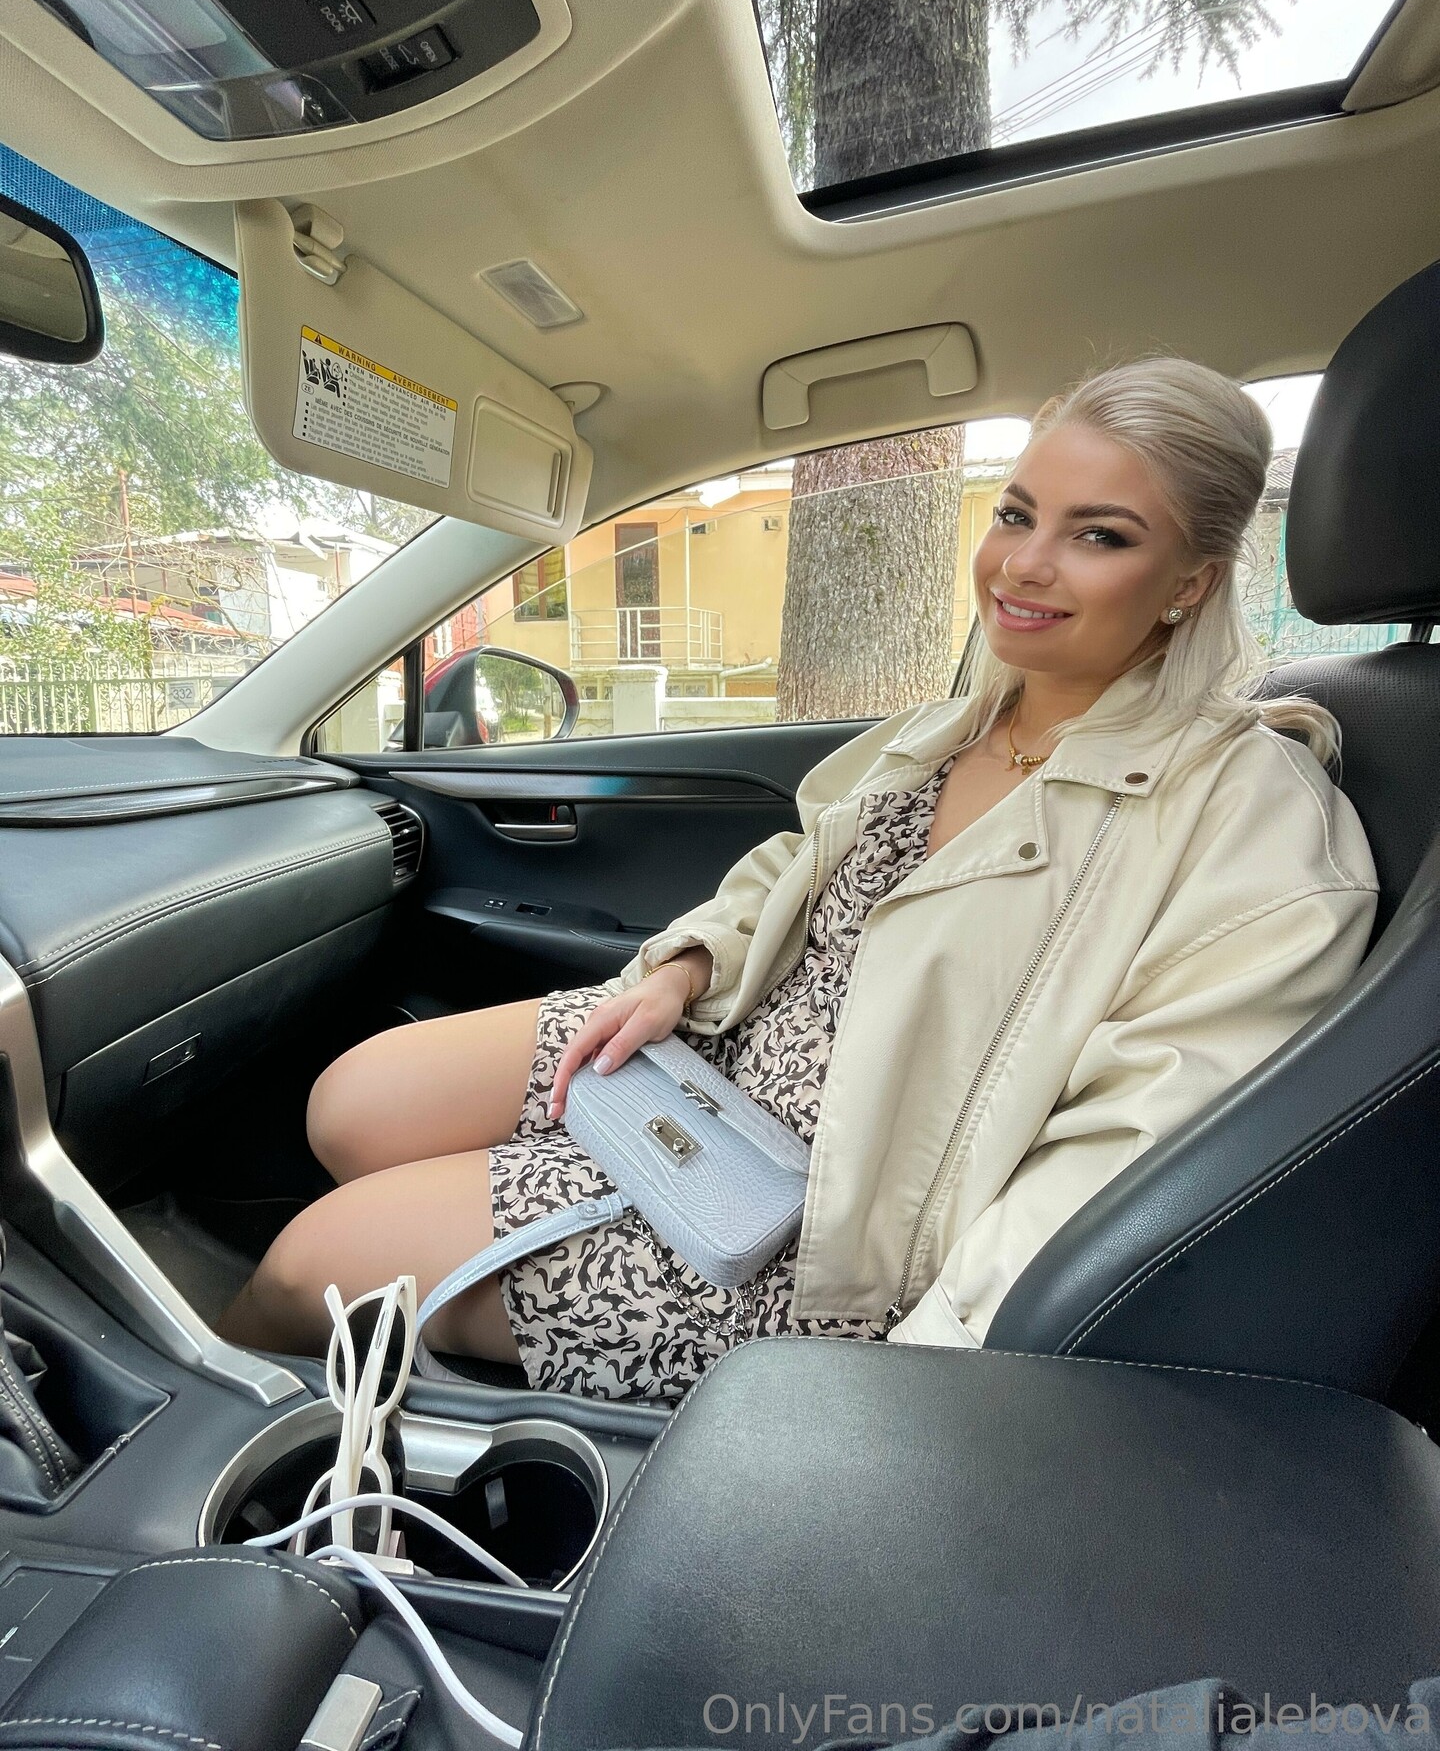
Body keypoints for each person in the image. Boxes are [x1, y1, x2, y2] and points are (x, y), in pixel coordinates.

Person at [218, 359, 1378, 1403]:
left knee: (307, 1268)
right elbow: (795, 865)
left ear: (1188, 583)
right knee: (353, 1103)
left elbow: (1133, 1157)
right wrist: (685, 966)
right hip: (717, 1060)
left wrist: (921, 1383)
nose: (1024, 564)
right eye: (1017, 513)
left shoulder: (1252, 818)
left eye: (1101, 536)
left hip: (824, 1238)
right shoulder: (952, 725)